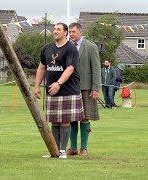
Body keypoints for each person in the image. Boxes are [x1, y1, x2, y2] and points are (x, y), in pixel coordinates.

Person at [34, 22, 83, 159]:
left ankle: (62, 150)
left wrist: (59, 83)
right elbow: (42, 67)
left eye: (58, 29)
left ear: (65, 32)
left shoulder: (71, 49)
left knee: (65, 121)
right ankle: (55, 151)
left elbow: (70, 68)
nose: (55, 31)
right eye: (54, 29)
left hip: (68, 90)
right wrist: (37, 86)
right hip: (52, 90)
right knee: (54, 121)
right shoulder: (47, 48)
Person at [67, 22, 101, 156]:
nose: (71, 34)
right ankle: (73, 148)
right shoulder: (67, 46)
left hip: (86, 88)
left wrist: (95, 88)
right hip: (70, 88)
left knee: (85, 118)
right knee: (72, 118)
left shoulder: (91, 47)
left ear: (80, 32)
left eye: (73, 32)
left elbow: (96, 69)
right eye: (69, 32)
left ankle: (84, 148)